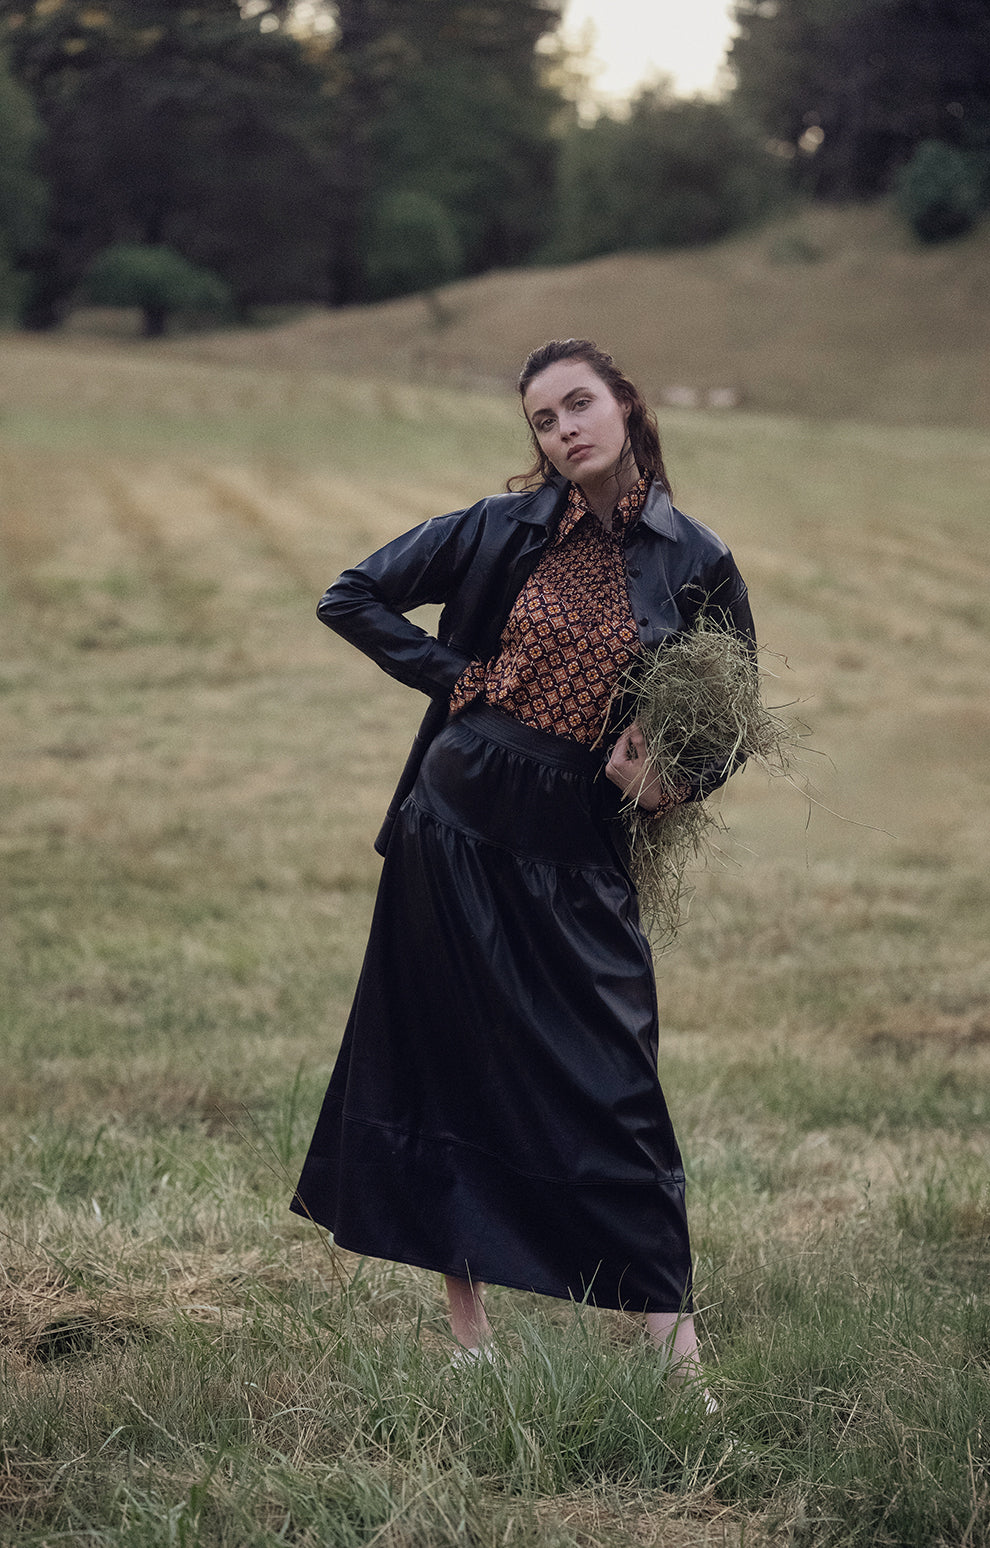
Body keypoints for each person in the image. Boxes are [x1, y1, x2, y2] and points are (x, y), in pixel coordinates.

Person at [290, 338, 754, 1384]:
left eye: (578, 404)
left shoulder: (697, 557)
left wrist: (676, 782)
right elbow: (352, 594)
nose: (565, 429)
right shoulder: (503, 527)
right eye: (544, 420)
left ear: (625, 405)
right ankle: (471, 1346)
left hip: (577, 851)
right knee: (446, 1064)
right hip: (452, 827)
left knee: (617, 1086)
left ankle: (677, 1363)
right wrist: (457, 680)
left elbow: (733, 715)